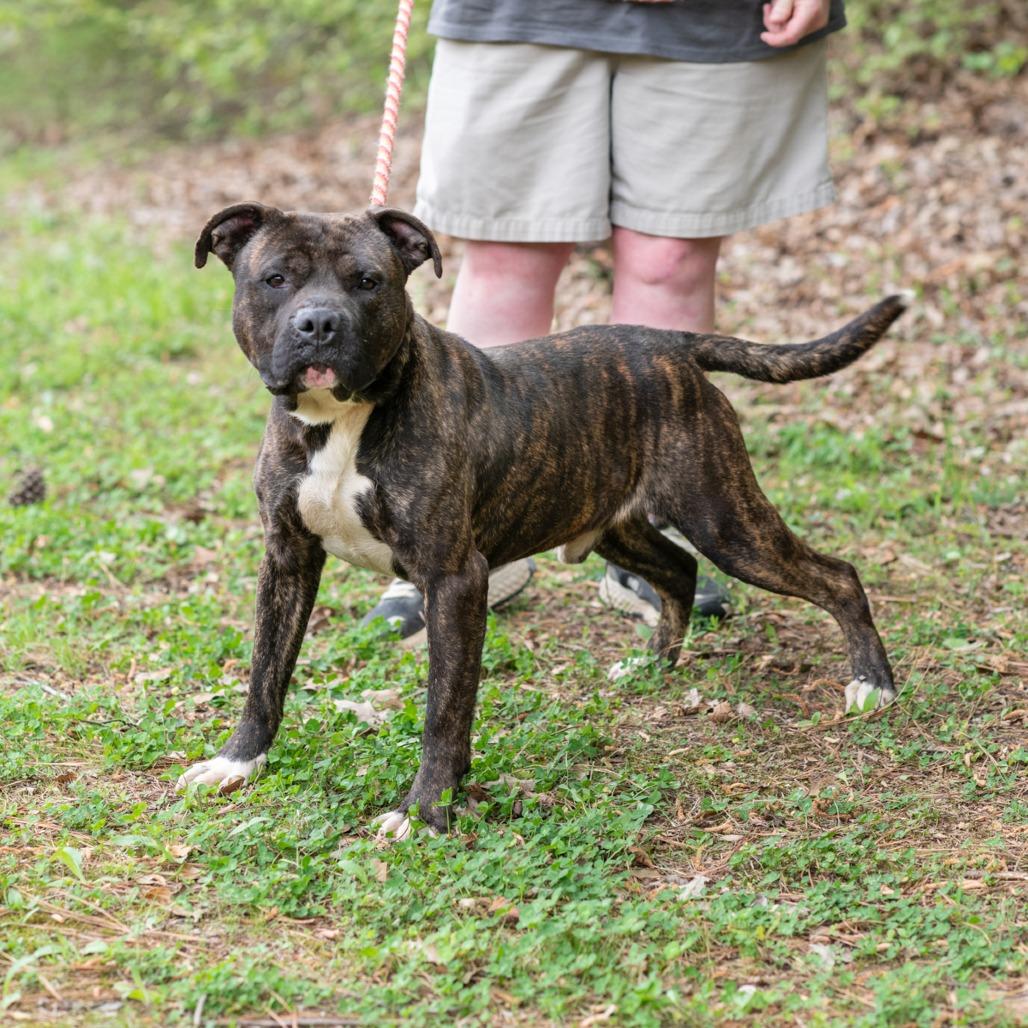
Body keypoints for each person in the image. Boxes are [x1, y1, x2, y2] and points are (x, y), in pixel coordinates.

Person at [363, 0, 844, 643]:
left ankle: (649, 524)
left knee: (669, 260)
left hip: (719, 18)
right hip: (516, 14)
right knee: (507, 252)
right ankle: (459, 527)